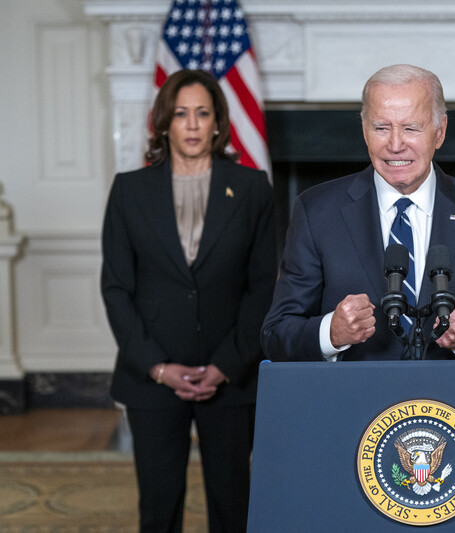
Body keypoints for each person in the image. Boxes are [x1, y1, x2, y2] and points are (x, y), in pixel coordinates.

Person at [262, 64, 455, 362]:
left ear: (439, 132)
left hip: (453, 405)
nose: (395, 145)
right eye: (382, 128)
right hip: (353, 404)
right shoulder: (317, 212)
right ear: (365, 131)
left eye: (411, 128)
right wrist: (329, 332)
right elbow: (276, 335)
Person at [101, 69, 278, 532]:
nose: (194, 125)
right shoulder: (128, 191)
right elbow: (116, 288)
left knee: (233, 506)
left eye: (203, 113)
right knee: (159, 509)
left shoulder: (252, 188)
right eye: (182, 114)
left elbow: (264, 286)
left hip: (232, 378)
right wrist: (157, 367)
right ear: (163, 123)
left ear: (219, 122)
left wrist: (226, 364)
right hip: (151, 380)